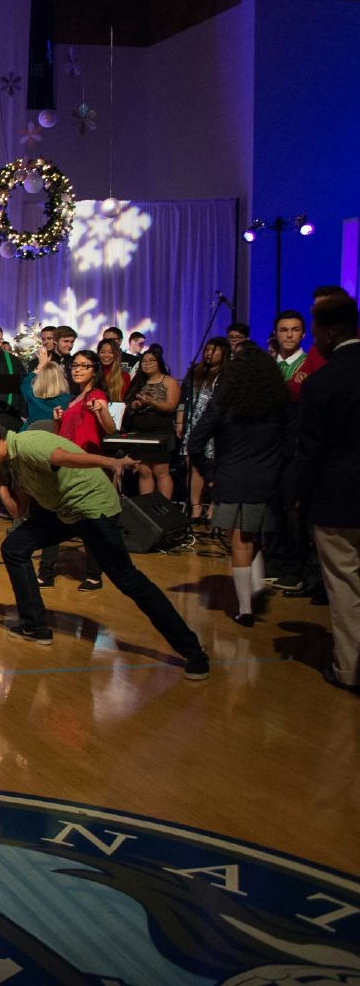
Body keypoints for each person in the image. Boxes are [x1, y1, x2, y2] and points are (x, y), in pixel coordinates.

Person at [0, 418, 210, 679]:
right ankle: (35, 627)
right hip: (66, 512)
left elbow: (69, 457)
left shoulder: (29, 445)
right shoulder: (12, 462)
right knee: (14, 547)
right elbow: (18, 511)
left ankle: (193, 651)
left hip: (93, 510)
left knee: (128, 580)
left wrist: (111, 462)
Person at [288, 287, 360, 693]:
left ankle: (350, 669)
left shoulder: (322, 383)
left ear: (327, 333)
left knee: (346, 589)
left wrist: (300, 497)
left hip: (338, 501)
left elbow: (311, 451)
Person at [188, 349, 288, 628]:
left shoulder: (224, 402)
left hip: (230, 479)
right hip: (268, 480)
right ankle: (254, 591)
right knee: (252, 536)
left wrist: (210, 473)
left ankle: (245, 609)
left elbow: (195, 442)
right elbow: (290, 444)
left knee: (239, 540)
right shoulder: (278, 404)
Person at [38, 350, 118, 590]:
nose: (78, 370)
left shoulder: (96, 395)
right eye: (75, 366)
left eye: (84, 366)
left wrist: (100, 411)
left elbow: (111, 429)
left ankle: (94, 574)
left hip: (88, 465)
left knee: (90, 521)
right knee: (53, 515)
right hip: (69, 464)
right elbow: (59, 438)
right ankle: (46, 572)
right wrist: (57, 421)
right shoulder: (73, 398)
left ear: (94, 370)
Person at [177, 338, 229, 523]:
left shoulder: (227, 374)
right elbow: (184, 399)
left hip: (216, 425)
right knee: (193, 466)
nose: (208, 353)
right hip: (194, 423)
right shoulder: (195, 372)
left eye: (213, 350)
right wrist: (180, 420)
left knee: (215, 466)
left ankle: (214, 507)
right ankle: (195, 507)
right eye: (206, 349)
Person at [122, 348, 181, 499]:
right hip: (140, 432)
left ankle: (165, 508)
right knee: (144, 471)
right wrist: (136, 405)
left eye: (151, 360)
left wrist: (151, 402)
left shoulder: (168, 381)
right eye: (144, 361)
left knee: (161, 471)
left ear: (159, 362)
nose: (147, 364)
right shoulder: (138, 381)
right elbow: (128, 405)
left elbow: (171, 406)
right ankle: (147, 509)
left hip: (160, 431)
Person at [20, 344, 72, 424]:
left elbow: (25, 383)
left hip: (32, 434)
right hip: (56, 434)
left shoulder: (31, 396)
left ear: (39, 379)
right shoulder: (69, 400)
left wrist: (40, 367)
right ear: (61, 378)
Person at [272, 309, 309, 383]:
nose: (289, 335)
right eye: (284, 330)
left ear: (303, 334)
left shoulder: (311, 364)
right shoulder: (266, 364)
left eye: (295, 330)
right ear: (275, 334)